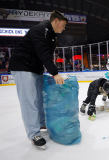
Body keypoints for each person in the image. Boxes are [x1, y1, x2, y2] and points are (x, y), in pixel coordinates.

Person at [9, 10, 68, 149]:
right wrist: (55, 73)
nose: (64, 28)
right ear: (56, 21)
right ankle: (33, 134)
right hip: (23, 66)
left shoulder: (52, 36)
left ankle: (42, 123)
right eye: (63, 25)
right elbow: (42, 53)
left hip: (35, 68)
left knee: (40, 98)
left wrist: (47, 70)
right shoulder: (41, 30)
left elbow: (46, 55)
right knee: (29, 100)